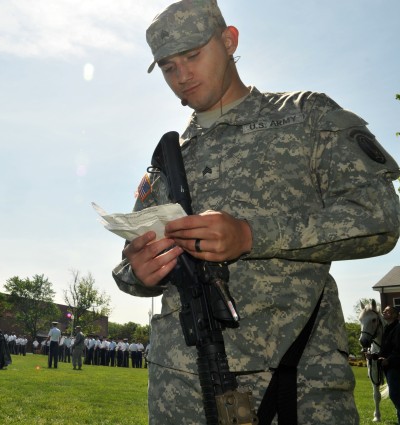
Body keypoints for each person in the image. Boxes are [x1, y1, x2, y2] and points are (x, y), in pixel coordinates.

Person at [111, 0, 400, 423]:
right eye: (169, 67)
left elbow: (380, 218)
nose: (183, 76)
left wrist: (251, 235)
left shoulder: (306, 117)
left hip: (294, 384)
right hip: (179, 393)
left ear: (229, 41)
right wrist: (137, 271)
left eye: (192, 55)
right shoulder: (168, 159)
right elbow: (128, 264)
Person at [378, 306, 400, 422]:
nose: (384, 313)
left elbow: (398, 350)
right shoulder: (387, 328)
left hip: (396, 367)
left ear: (396, 315)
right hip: (390, 367)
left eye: (388, 311)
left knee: (395, 395)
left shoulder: (398, 328)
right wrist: (374, 356)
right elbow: (386, 349)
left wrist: (389, 360)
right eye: (384, 311)